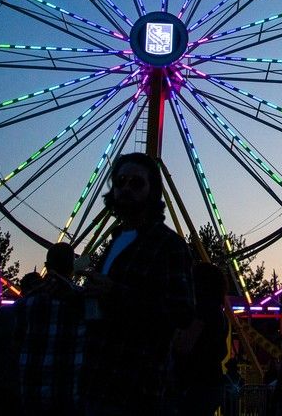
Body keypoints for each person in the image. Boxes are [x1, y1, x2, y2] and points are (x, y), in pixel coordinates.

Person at [80, 152, 194, 415]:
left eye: (137, 183)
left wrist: (117, 293)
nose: (126, 188)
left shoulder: (169, 246)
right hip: (97, 380)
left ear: (153, 190)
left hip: (138, 387)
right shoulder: (116, 242)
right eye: (120, 182)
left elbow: (181, 313)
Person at [17, 242, 85, 416]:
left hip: (31, 391)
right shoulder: (83, 302)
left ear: (47, 266)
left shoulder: (26, 303)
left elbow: (15, 343)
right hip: (67, 392)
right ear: (72, 266)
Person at [169, 261, 230, 416]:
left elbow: (185, 345)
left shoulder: (204, 310)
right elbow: (222, 351)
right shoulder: (220, 314)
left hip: (196, 383)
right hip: (212, 381)